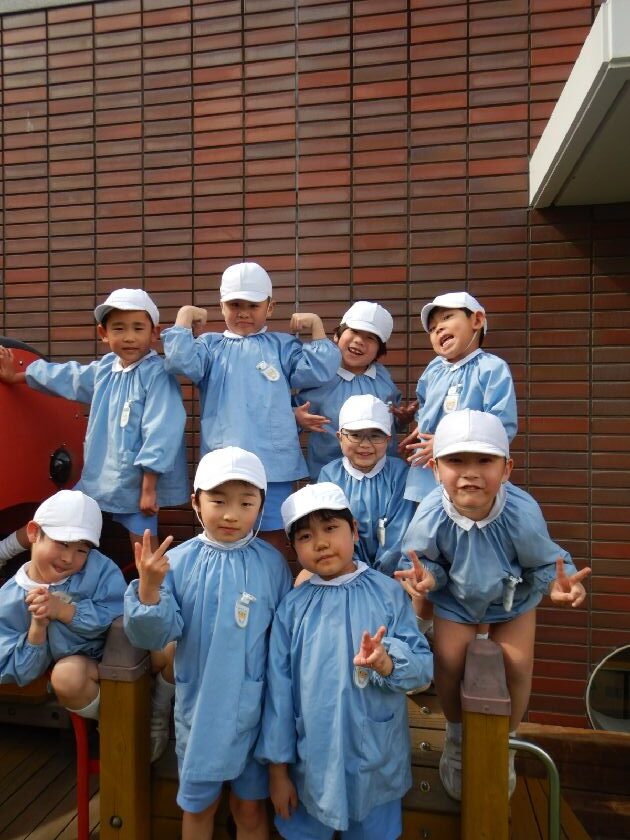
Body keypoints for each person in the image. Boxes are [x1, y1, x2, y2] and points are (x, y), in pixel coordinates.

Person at [396, 409, 591, 801]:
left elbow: (544, 562)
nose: (470, 473)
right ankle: (456, 737)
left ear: (506, 469)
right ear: (435, 468)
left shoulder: (520, 512)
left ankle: (506, 742)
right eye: (456, 460)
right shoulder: (432, 513)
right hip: (457, 600)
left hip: (512, 600)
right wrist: (427, 578)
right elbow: (420, 560)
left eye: (485, 460)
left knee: (517, 664)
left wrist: (558, 583)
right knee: (449, 661)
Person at [124, 447, 292, 840]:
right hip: (200, 711)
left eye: (246, 503)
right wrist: (149, 590)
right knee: (198, 805)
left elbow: (283, 643)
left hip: (256, 710)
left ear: (261, 507)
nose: (232, 514)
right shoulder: (178, 562)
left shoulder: (271, 564)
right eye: (218, 501)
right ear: (196, 502)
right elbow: (154, 635)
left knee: (249, 807)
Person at [256, 483, 433, 840]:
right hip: (311, 765)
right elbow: (279, 694)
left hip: (376, 760)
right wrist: (277, 772)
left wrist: (387, 663)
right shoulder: (291, 609)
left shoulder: (387, 593)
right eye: (306, 536)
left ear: (353, 529)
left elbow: (422, 668)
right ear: (293, 547)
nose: (320, 543)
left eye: (330, 528)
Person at [161, 261, 340, 558]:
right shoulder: (209, 346)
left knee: (272, 538)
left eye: (253, 305)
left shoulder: (282, 346)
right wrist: (184, 318)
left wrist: (317, 329)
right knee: (224, 536)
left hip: (274, 465)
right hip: (224, 464)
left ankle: (269, 586)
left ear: (270, 307)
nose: (244, 312)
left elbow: (318, 370)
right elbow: (180, 361)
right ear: (221, 306)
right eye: (235, 305)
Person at [0, 288, 189, 560]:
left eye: (138, 328)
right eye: (119, 328)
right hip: (98, 479)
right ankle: (5, 550)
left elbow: (161, 430)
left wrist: (149, 488)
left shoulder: (158, 375)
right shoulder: (106, 369)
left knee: (144, 547)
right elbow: (68, 377)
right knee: (54, 517)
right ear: (104, 333)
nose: (129, 337)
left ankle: (153, 587)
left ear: (154, 332)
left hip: (137, 487)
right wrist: (18, 375)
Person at [0, 490, 126, 722]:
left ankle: (142, 713)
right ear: (33, 532)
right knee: (67, 675)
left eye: (81, 550)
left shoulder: (99, 570)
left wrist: (64, 611)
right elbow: (22, 672)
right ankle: (116, 725)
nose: (68, 558)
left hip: (119, 659)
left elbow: (118, 616)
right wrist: (37, 628)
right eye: (62, 544)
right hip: (76, 674)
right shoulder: (9, 599)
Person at [402, 291, 517, 504]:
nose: (439, 329)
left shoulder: (491, 368)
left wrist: (445, 443)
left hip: (468, 469)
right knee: (429, 513)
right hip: (427, 469)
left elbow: (501, 424)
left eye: (447, 318)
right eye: (432, 328)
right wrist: (419, 428)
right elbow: (426, 405)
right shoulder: (434, 369)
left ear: (477, 320)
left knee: (466, 513)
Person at [294, 300, 416, 480]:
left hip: (382, 473)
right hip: (330, 472)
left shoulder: (382, 377)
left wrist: (402, 420)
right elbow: (294, 410)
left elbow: (390, 415)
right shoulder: (322, 378)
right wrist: (297, 417)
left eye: (370, 338)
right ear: (337, 335)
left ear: (379, 350)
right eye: (354, 332)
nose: (359, 341)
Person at [317, 394, 416, 577]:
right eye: (355, 435)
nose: (365, 444)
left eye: (375, 436)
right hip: (345, 572)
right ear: (340, 437)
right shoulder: (329, 475)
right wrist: (353, 572)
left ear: (388, 439)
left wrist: (379, 578)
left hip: (392, 574)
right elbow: (330, 529)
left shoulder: (399, 474)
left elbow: (400, 533)